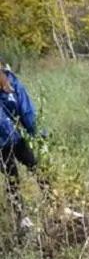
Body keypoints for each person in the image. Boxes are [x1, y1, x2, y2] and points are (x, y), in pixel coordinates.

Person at [0, 65, 45, 231]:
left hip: (17, 138)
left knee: (37, 167)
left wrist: (37, 133)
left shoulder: (11, 82)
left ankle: (57, 206)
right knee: (12, 179)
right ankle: (22, 219)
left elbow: (26, 110)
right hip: (0, 145)